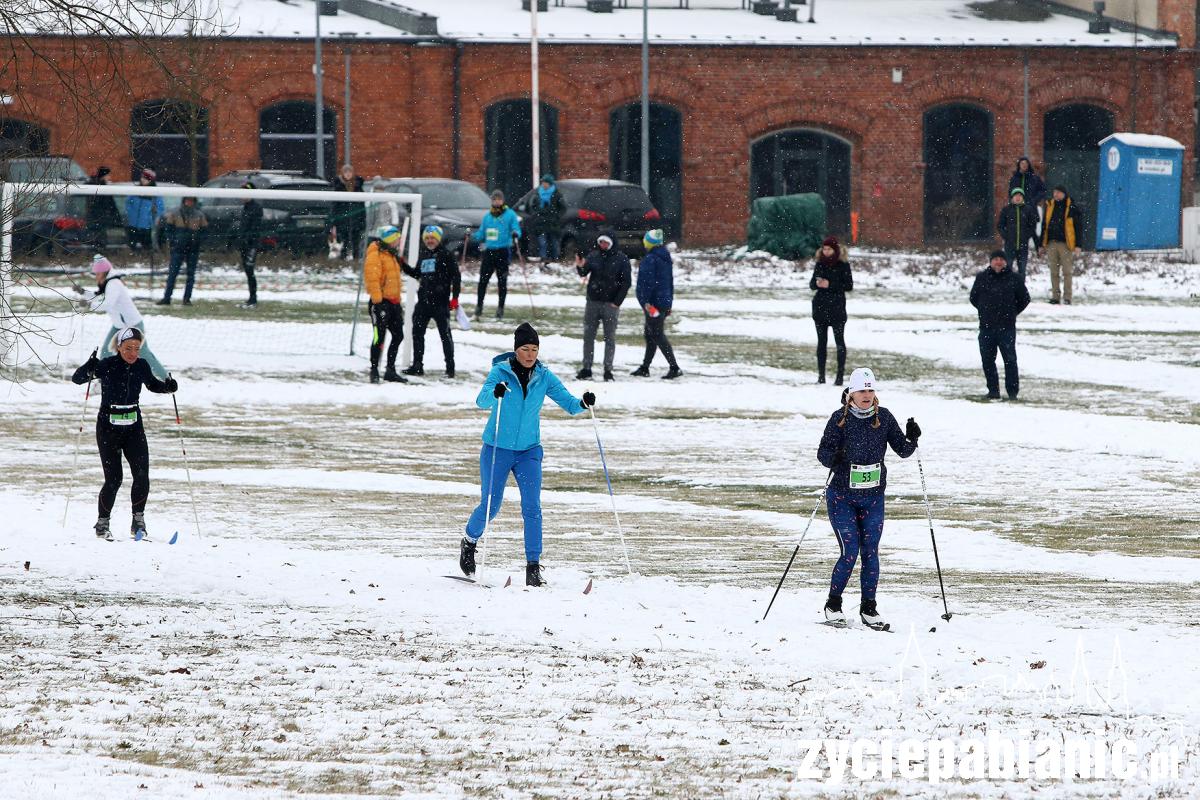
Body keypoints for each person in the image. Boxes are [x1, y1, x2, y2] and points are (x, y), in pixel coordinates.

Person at [459, 323, 595, 587]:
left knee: (532, 507)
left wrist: (583, 402)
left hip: (529, 451)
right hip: (497, 449)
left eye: (534, 349)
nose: (530, 354)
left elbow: (568, 403)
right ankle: (469, 541)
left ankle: (533, 567)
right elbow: (482, 400)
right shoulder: (500, 372)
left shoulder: (544, 376)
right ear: (516, 350)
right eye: (525, 349)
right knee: (491, 505)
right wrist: (495, 392)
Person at [816, 367, 919, 630]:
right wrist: (834, 458)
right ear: (851, 393)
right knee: (850, 552)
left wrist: (913, 437)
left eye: (871, 390)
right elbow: (823, 453)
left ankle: (869, 608)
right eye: (862, 390)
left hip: (873, 498)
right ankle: (833, 604)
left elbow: (904, 451)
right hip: (842, 497)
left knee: (870, 553)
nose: (867, 395)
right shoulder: (839, 419)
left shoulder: (883, 418)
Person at [71, 327, 178, 541]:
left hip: (133, 427)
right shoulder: (108, 365)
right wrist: (89, 366)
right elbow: (78, 379)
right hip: (108, 427)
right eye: (128, 348)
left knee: (141, 475)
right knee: (114, 479)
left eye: (137, 348)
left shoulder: (141, 365)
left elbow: (153, 384)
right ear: (118, 347)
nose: (132, 353)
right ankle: (102, 524)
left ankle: (138, 522)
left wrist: (168, 387)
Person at [78, 254, 167, 379]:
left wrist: (90, 305)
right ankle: (103, 381)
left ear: (104, 272)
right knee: (106, 352)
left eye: (97, 274)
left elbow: (108, 303)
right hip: (119, 326)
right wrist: (83, 292)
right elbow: (99, 295)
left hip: (133, 325)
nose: (96, 277)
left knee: (143, 354)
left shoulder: (114, 284)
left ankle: (166, 379)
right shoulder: (108, 284)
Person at [401, 225, 462, 378]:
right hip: (423, 302)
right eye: (427, 238)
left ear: (438, 239)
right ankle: (417, 365)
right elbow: (416, 273)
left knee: (445, 335)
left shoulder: (446, 254)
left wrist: (455, 298)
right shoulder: (424, 254)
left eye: (432, 238)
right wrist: (402, 264)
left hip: (440, 303)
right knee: (417, 333)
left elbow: (456, 277)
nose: (430, 241)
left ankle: (450, 368)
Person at [970, 250, 1031, 400]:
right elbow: (973, 298)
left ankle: (1012, 393)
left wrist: (1011, 312)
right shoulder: (982, 278)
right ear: (991, 262)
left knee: (1010, 360)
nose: (998, 262)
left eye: (1001, 259)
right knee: (987, 360)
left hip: (1007, 328)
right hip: (986, 328)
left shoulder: (1015, 279)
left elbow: (1025, 299)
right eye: (995, 259)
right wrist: (985, 310)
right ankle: (993, 391)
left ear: (1005, 262)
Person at [575, 231, 631, 382]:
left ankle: (608, 370)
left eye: (605, 242)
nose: (602, 245)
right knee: (588, 337)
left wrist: (617, 302)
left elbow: (626, 283)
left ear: (611, 243)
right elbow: (583, 273)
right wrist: (580, 265)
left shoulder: (622, 259)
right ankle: (587, 368)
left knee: (610, 338)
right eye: (601, 242)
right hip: (593, 302)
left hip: (610, 305)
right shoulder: (593, 256)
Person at [631, 229, 682, 380]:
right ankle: (645, 367)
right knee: (650, 334)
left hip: (653, 304)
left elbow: (647, 283)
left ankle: (674, 367)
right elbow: (669, 283)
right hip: (663, 302)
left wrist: (646, 302)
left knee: (656, 334)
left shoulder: (651, 259)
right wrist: (669, 303)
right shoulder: (665, 258)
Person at [363, 225, 407, 384]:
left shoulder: (392, 255)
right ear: (390, 239)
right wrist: (378, 301)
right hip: (380, 303)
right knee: (378, 337)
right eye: (397, 238)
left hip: (394, 303)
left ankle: (390, 369)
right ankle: (374, 370)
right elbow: (372, 279)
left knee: (398, 335)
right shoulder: (376, 254)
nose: (399, 241)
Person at [472, 189, 522, 321]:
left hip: (503, 251)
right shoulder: (488, 216)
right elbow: (481, 234)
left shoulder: (509, 214)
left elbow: (516, 228)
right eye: (494, 199)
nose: (497, 201)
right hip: (489, 252)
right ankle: (479, 307)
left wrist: (516, 233)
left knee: (502, 282)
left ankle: (500, 309)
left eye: (499, 199)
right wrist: (471, 236)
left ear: (503, 200)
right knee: (483, 281)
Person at [809, 235, 853, 385]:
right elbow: (811, 284)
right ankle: (821, 376)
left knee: (839, 341)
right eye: (824, 249)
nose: (826, 252)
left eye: (829, 249)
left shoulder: (843, 265)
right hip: (820, 307)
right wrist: (817, 283)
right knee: (821, 342)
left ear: (835, 250)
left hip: (837, 308)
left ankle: (839, 376)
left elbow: (848, 285)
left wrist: (831, 284)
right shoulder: (819, 264)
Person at [158, 196, 207, 306]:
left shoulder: (199, 215)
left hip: (192, 248)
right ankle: (167, 297)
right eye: (187, 200)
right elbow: (168, 230)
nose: (189, 202)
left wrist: (197, 241)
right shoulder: (175, 213)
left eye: (191, 200)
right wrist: (174, 241)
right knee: (173, 274)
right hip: (178, 247)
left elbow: (204, 231)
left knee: (190, 275)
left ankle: (187, 299)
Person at [1041, 185, 1081, 305]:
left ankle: (1067, 297)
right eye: (1054, 192)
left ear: (1064, 194)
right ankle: (1055, 296)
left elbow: (1078, 227)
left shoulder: (1071, 207)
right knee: (1054, 271)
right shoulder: (1049, 206)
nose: (1056, 195)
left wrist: (1078, 244)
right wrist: (1041, 244)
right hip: (1051, 243)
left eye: (1058, 193)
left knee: (1067, 272)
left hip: (1066, 244)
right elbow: (1044, 225)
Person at [996, 187, 1040, 279]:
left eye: (1020, 195)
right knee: (1008, 269)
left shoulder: (1028, 210)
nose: (1018, 197)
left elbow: (1032, 226)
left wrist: (1026, 236)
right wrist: (1006, 236)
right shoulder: (1006, 210)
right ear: (1012, 197)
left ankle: (1021, 291)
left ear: (1023, 197)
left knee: (1022, 271)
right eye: (1016, 195)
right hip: (1009, 245)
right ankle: (1008, 291)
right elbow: (1000, 225)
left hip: (1023, 246)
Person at [124, 169, 163, 252]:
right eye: (142, 178)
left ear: (151, 180)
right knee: (132, 247)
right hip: (133, 224)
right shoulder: (135, 190)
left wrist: (151, 218)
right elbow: (128, 203)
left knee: (147, 248)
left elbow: (160, 208)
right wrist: (130, 214)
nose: (143, 180)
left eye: (146, 178)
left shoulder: (155, 192)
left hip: (147, 226)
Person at [529, 173, 565, 263]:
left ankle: (555, 258)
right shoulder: (538, 194)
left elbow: (563, 208)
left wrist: (556, 216)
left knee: (554, 241)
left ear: (550, 184)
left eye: (546, 183)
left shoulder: (556, 194)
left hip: (553, 222)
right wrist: (537, 214)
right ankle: (543, 258)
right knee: (542, 242)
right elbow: (533, 206)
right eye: (543, 183)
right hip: (541, 222)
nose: (544, 185)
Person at [238, 181, 263, 309]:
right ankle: (251, 298)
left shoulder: (256, 208)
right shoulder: (245, 208)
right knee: (248, 271)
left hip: (252, 245)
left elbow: (255, 228)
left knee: (249, 269)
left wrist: (249, 240)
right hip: (244, 244)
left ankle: (253, 298)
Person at [334, 164, 366, 261]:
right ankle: (342, 259)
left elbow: (362, 204)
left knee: (356, 239)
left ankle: (356, 259)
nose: (348, 174)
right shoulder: (339, 186)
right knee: (344, 239)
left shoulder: (358, 186)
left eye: (350, 172)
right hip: (343, 218)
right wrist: (335, 218)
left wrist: (362, 218)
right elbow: (335, 204)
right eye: (345, 172)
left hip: (356, 217)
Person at [85, 166, 121, 251]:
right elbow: (108, 204)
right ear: (103, 176)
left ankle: (97, 252)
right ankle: (98, 253)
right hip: (98, 218)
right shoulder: (100, 187)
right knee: (98, 238)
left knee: (97, 238)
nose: (109, 177)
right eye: (108, 175)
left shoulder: (94, 185)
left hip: (96, 218)